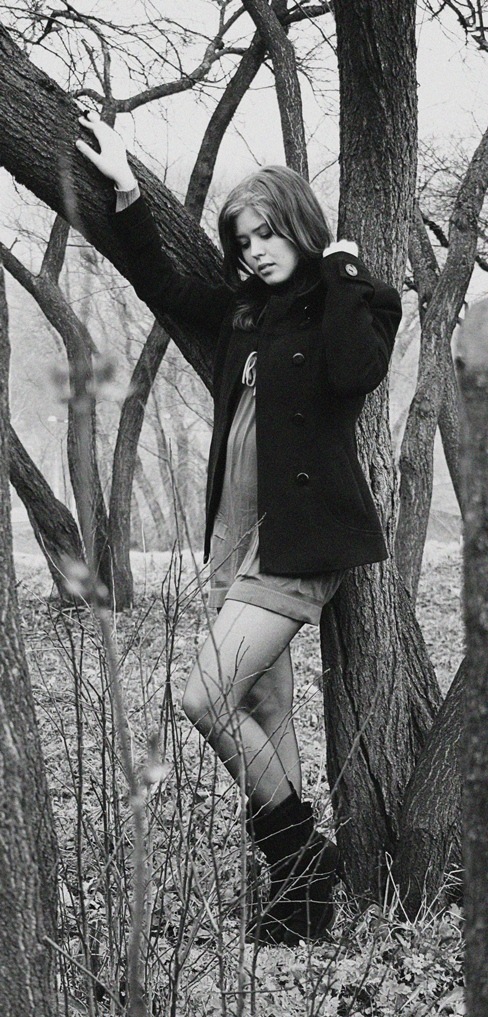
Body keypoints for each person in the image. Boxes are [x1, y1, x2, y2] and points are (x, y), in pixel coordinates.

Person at [76, 113, 402, 946]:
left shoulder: (358, 300)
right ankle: (300, 902)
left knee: (205, 697)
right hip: (235, 532)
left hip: (301, 540)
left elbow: (355, 372)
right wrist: (127, 191)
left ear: (298, 225)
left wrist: (340, 269)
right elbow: (164, 285)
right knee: (262, 701)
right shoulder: (246, 313)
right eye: (243, 239)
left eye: (267, 233)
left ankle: (305, 856)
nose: (254, 250)